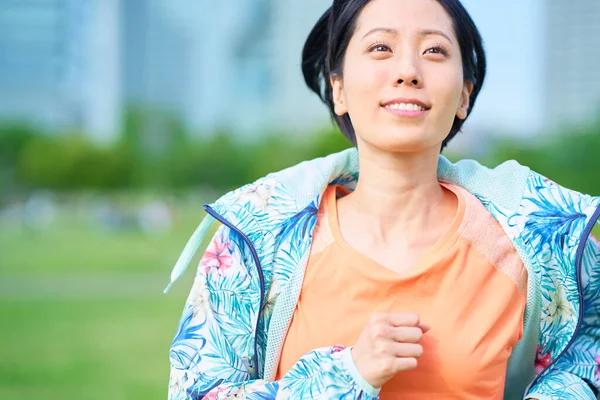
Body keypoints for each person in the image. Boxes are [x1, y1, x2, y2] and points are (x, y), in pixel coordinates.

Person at [165, 0, 600, 399]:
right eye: (380, 48)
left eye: (434, 51)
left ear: (464, 94)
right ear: (339, 89)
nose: (408, 70)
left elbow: (587, 364)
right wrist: (345, 376)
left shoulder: (539, 241)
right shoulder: (254, 239)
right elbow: (196, 390)